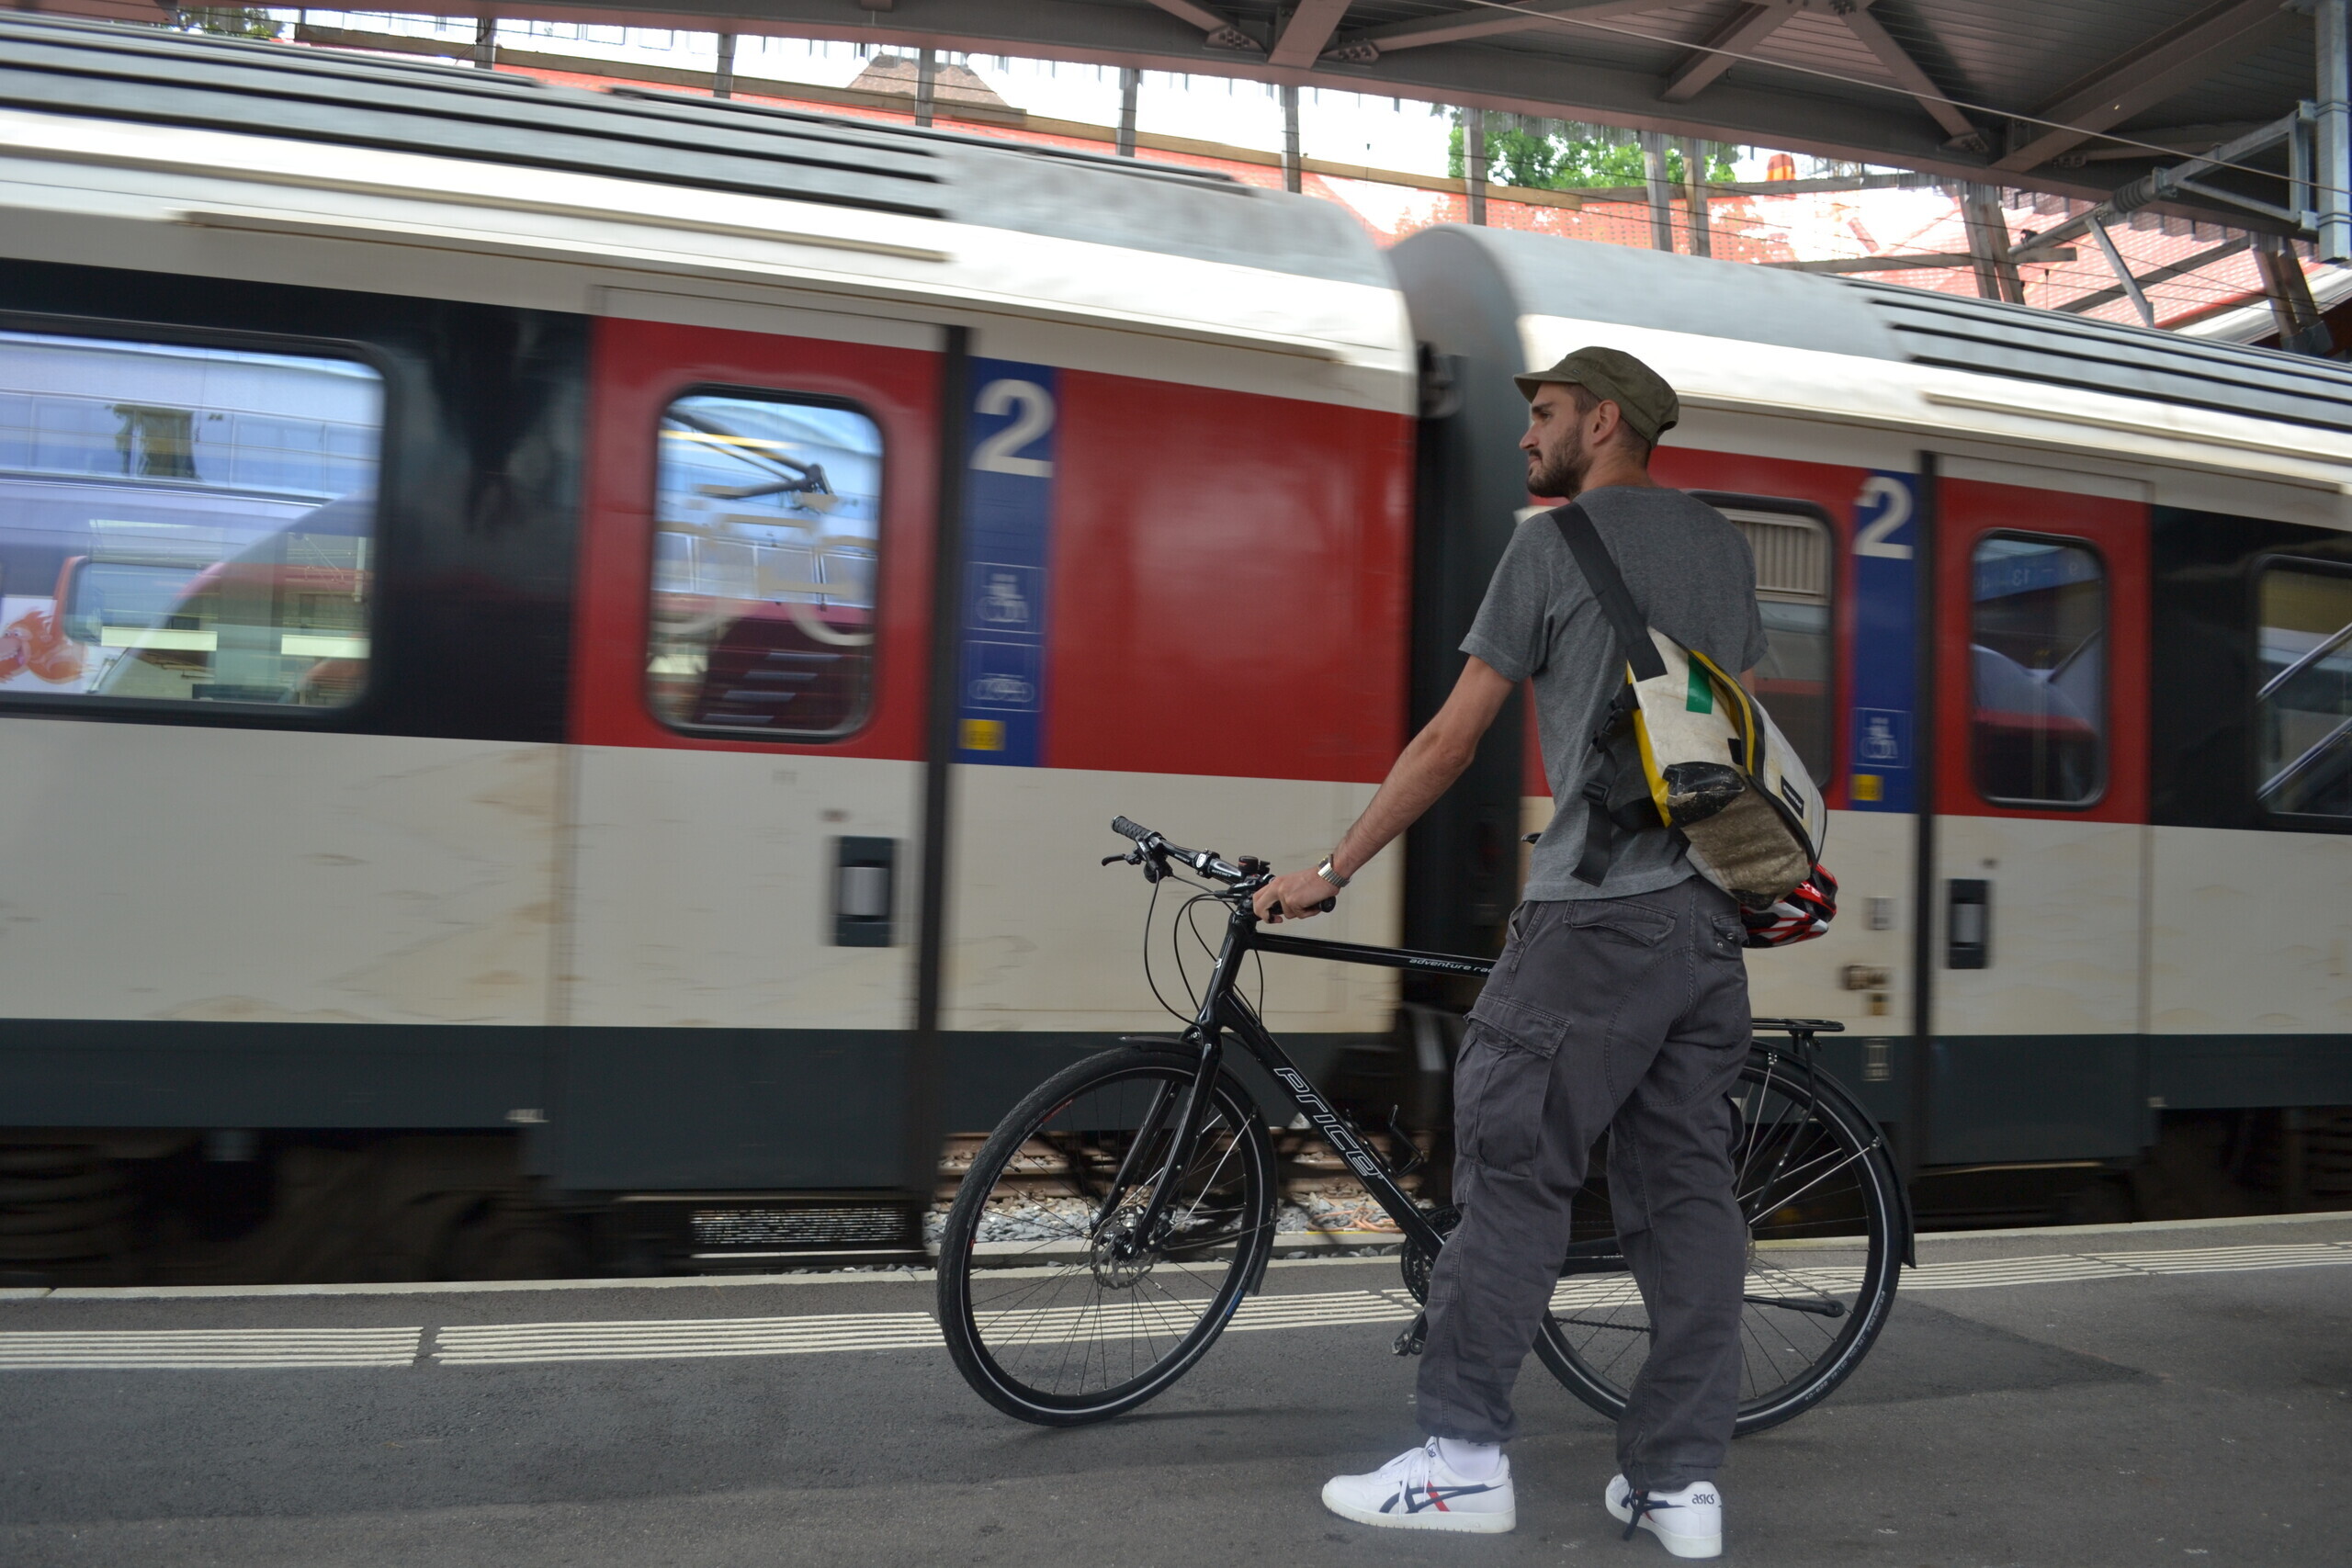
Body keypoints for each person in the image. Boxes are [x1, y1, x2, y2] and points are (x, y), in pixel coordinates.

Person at [1252, 347, 1765, 1559]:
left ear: (1604, 422)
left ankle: (1462, 1462)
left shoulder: (1549, 545)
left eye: (1544, 415)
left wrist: (1335, 868)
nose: (1528, 437)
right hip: (1706, 924)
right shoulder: (1721, 546)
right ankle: (1680, 1486)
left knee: (1511, 1176)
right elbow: (1738, 732)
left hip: (1594, 917)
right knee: (1687, 1201)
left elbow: (1450, 739)